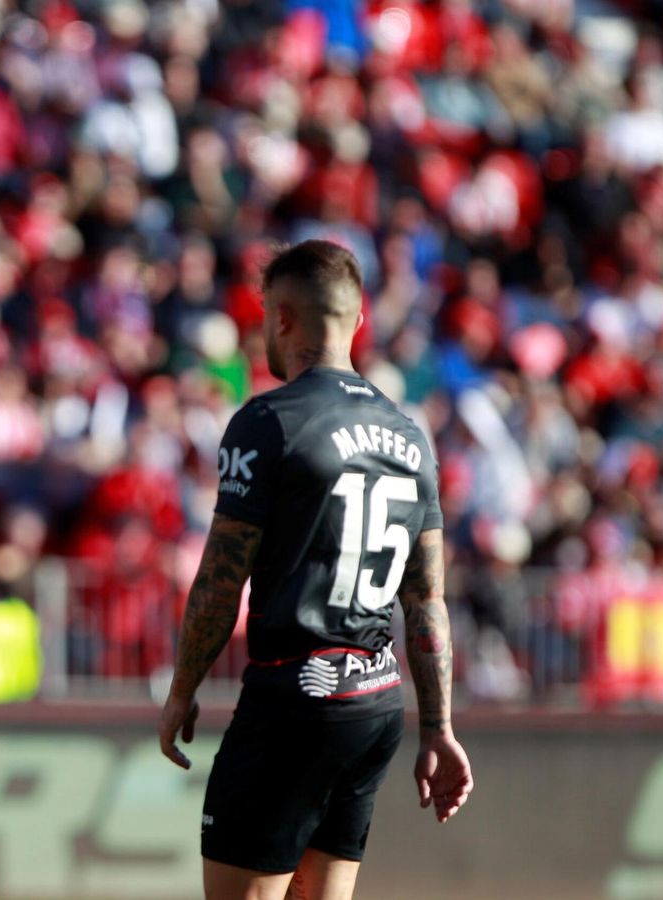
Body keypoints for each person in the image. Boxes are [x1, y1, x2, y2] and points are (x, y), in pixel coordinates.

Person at [157, 240, 474, 900]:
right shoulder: (411, 436)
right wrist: (438, 728)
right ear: (357, 320)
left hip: (292, 700)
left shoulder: (269, 421)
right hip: (375, 704)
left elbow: (221, 577)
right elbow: (427, 601)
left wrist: (181, 687)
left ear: (280, 318)